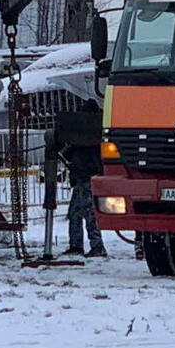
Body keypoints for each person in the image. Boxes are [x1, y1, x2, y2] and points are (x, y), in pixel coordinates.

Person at [61, 101, 107, 258]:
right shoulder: (91, 136)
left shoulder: (89, 137)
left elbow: (73, 153)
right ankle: (77, 245)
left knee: (88, 213)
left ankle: (96, 245)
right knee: (76, 212)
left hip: (88, 177)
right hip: (83, 178)